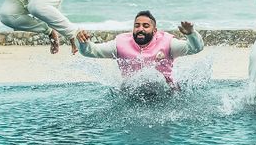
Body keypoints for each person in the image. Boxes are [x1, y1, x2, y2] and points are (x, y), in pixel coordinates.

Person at [76, 11, 204, 90]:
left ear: (155, 31)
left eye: (146, 26)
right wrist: (84, 43)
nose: (140, 29)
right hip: (133, 95)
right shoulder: (120, 44)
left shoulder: (167, 42)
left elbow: (196, 48)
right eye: (137, 26)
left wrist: (191, 34)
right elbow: (90, 51)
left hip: (165, 94)